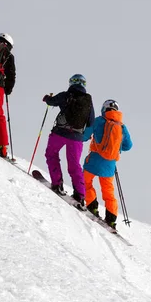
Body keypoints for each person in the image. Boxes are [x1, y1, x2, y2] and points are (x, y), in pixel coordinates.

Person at [42, 74, 95, 205]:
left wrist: (47, 98)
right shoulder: (88, 100)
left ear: (71, 83)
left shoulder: (66, 95)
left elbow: (51, 101)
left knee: (51, 154)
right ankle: (80, 195)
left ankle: (57, 182)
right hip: (77, 137)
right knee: (74, 164)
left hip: (60, 132)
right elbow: (91, 122)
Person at [82, 99, 133, 229]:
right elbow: (128, 146)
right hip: (110, 165)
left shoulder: (99, 121)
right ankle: (111, 219)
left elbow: (85, 135)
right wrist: (115, 146)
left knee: (85, 182)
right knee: (108, 192)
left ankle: (92, 206)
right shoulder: (121, 126)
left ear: (104, 109)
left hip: (94, 160)